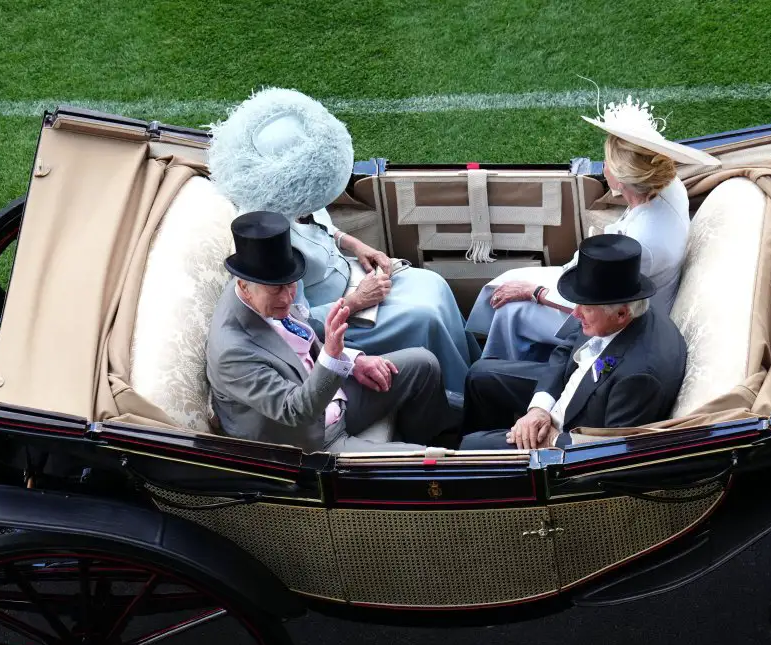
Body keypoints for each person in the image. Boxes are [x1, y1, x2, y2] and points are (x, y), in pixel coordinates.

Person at [208, 86, 481, 397]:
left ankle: (474, 371)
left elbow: (320, 226)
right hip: (348, 318)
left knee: (434, 284)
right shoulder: (270, 239)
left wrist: (354, 245)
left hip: (359, 280)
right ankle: (458, 397)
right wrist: (356, 301)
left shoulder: (298, 196)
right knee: (426, 315)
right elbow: (297, 321)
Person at [465, 96, 718, 362]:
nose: (604, 168)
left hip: (619, 326)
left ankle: (498, 374)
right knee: (508, 280)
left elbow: (595, 308)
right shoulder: (668, 186)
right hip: (606, 289)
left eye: (606, 163)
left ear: (620, 179)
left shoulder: (640, 244)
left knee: (511, 308)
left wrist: (534, 292)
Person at [206, 211, 460, 453]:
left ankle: (438, 437)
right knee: (425, 463)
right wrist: (332, 356)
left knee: (423, 364)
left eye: (290, 284)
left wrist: (354, 361)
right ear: (244, 287)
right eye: (276, 290)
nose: (287, 298)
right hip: (310, 441)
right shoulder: (233, 351)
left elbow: (301, 337)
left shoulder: (259, 287)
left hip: (333, 396)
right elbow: (295, 411)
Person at [460, 234, 687, 450]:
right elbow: (565, 350)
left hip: (567, 440)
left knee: (470, 447)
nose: (576, 314)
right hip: (570, 389)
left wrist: (554, 439)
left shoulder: (639, 378)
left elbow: (615, 450)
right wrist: (539, 409)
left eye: (585, 308)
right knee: (480, 375)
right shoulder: (620, 305)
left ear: (621, 314)